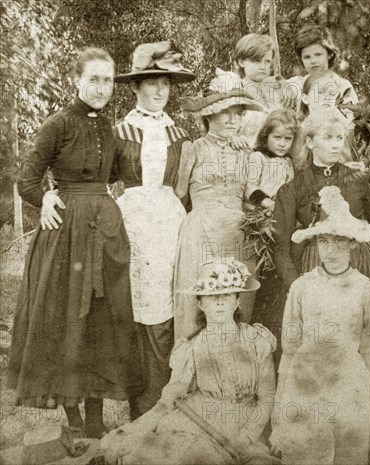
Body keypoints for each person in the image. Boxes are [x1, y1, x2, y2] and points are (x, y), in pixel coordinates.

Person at [7, 47, 143, 438]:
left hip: (104, 229)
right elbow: (27, 179)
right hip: (66, 236)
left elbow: (122, 172)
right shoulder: (58, 123)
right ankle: (73, 421)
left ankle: (97, 420)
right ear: (77, 80)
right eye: (93, 79)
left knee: (100, 322)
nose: (101, 88)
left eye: (107, 80)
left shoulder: (109, 127)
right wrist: (46, 197)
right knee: (69, 320)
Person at [100, 258, 277, 465]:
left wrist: (247, 437)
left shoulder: (257, 340)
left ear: (237, 301)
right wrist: (138, 427)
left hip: (243, 421)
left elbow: (267, 397)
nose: (220, 302)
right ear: (200, 303)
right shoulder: (192, 346)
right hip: (198, 417)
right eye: (212, 296)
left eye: (227, 295)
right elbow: (170, 398)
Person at [270, 185, 370, 465]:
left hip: (350, 386)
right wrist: (277, 419)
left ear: (352, 244)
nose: (330, 250)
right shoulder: (301, 287)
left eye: (338, 242)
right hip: (305, 385)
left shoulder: (366, 289)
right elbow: (289, 351)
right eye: (323, 242)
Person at [111, 41, 195, 419]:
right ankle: (140, 409)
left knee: (167, 309)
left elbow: (190, 185)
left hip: (171, 222)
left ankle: (166, 405)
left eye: (165, 83)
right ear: (135, 86)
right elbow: (95, 180)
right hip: (130, 221)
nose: (159, 90)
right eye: (150, 82)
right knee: (133, 308)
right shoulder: (120, 131)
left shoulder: (179, 134)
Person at [173, 72, 270, 338]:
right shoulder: (193, 148)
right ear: (209, 115)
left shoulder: (246, 152)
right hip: (200, 232)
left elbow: (252, 194)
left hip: (238, 234)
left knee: (237, 302)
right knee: (199, 302)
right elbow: (179, 193)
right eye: (225, 112)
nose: (233, 119)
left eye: (239, 113)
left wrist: (269, 209)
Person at [273, 108, 370, 294]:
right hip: (315, 265)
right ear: (310, 141)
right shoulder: (292, 189)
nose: (335, 145)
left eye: (339, 138)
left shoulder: (359, 180)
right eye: (328, 137)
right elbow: (281, 247)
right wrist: (296, 286)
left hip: (359, 263)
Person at [284, 24, 358, 114]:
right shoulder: (297, 85)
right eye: (307, 57)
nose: (313, 61)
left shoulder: (343, 86)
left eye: (318, 55)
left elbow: (353, 121)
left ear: (329, 54)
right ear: (301, 59)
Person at [233, 33, 284, 149]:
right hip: (245, 152)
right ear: (241, 62)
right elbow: (221, 122)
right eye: (256, 61)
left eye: (267, 62)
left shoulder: (275, 89)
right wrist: (232, 137)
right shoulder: (236, 89)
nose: (262, 66)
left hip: (275, 154)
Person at [247, 108, 298, 206]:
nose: (282, 144)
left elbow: (291, 188)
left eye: (288, 139)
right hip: (259, 206)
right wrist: (268, 203)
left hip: (280, 208)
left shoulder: (288, 162)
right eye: (277, 137)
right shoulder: (258, 157)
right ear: (266, 136)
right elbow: (250, 187)